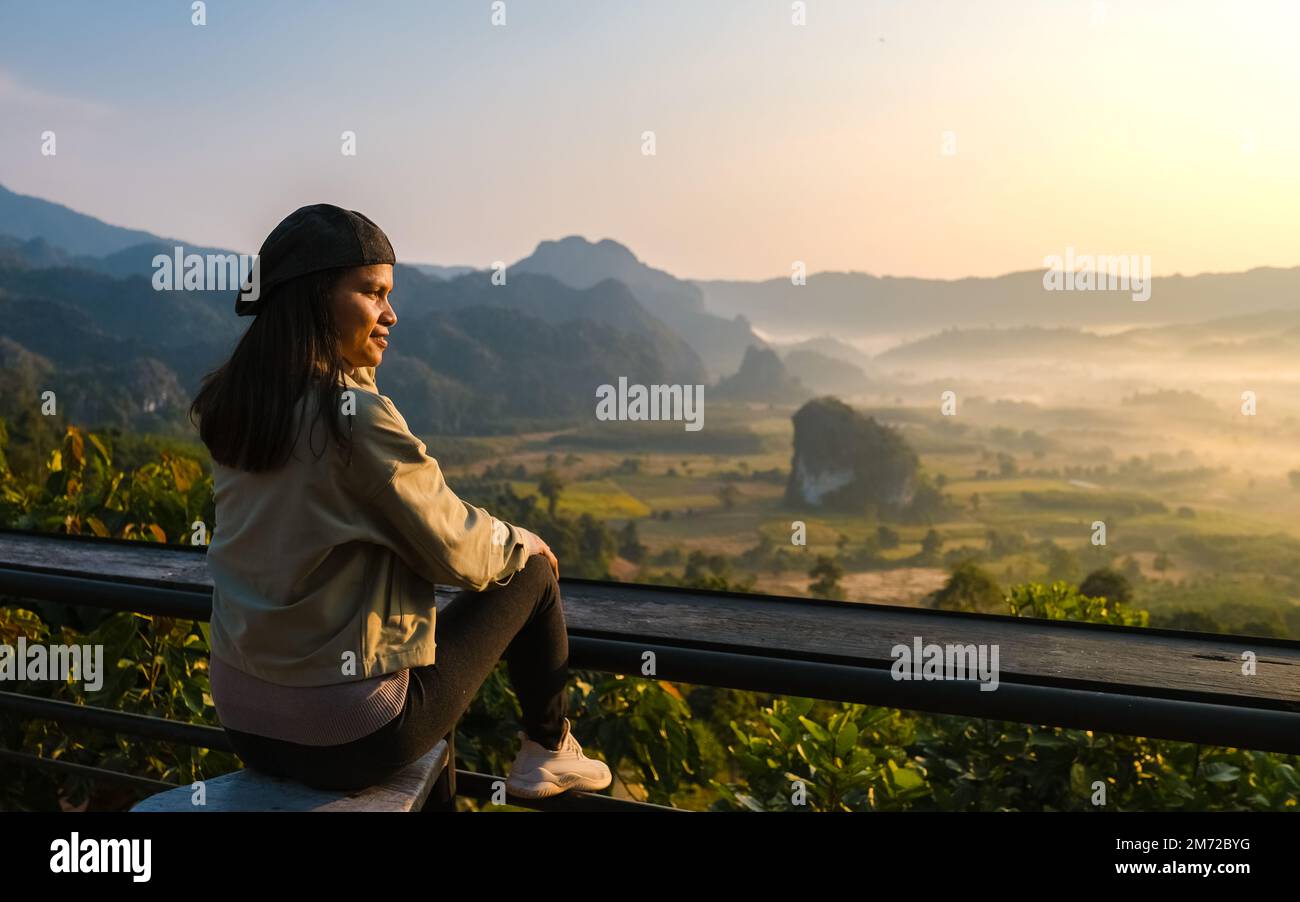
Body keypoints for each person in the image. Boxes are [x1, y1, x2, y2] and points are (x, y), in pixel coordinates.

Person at [188, 204, 611, 801]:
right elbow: (458, 550)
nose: (391, 313)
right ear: (314, 298)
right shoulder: (352, 419)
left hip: (243, 719)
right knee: (533, 573)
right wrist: (522, 540)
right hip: (350, 735)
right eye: (372, 292)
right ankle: (547, 749)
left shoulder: (236, 405)